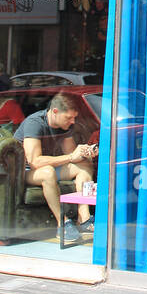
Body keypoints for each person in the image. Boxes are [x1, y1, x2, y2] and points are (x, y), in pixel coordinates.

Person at [13, 92, 97, 244]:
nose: (72, 122)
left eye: (74, 118)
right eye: (69, 118)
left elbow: (72, 156)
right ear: (55, 112)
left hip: (48, 167)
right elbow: (34, 161)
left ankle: (83, 218)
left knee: (83, 166)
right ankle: (62, 223)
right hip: (24, 172)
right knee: (47, 172)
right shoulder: (35, 123)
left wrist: (85, 153)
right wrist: (72, 157)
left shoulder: (64, 126)